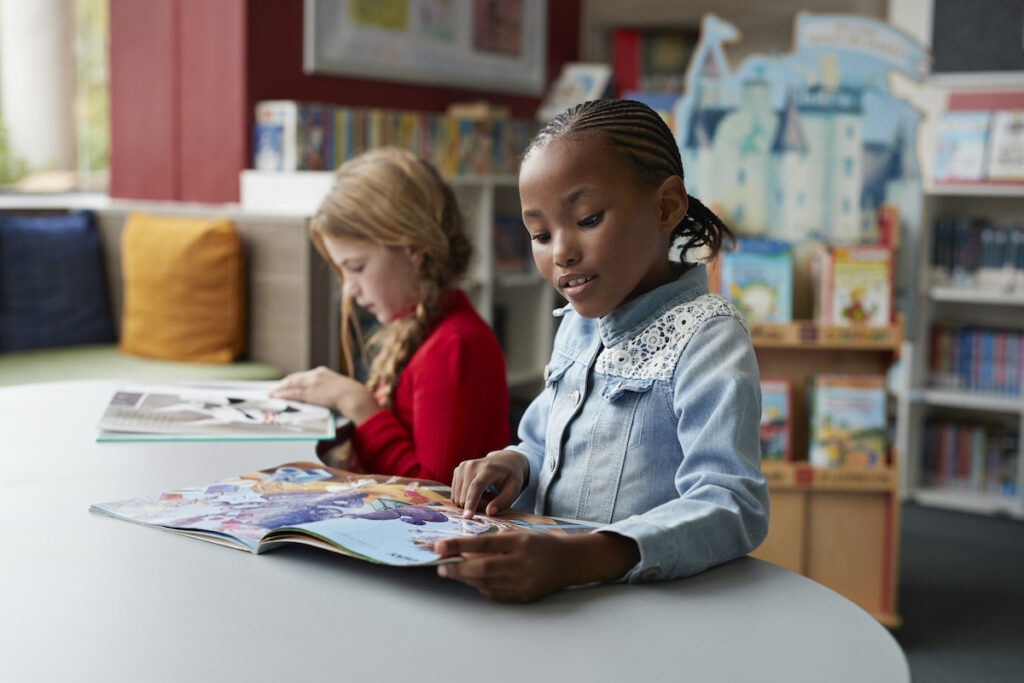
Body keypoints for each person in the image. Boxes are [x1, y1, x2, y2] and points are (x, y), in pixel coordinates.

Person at [434, 99, 769, 601]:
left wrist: (583, 557)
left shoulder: (708, 337)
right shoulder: (577, 324)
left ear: (666, 206)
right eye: (540, 234)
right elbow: (542, 445)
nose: (561, 252)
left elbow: (731, 504)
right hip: (554, 595)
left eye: (587, 219)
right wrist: (513, 463)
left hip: (639, 608)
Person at [270, 147, 510, 485]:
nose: (349, 290)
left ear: (412, 249)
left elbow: (436, 494)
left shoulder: (453, 346)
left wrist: (358, 404)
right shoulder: (418, 328)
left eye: (356, 267)